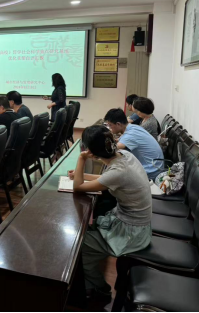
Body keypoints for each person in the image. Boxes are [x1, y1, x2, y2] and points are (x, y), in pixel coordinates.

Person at [70, 125, 152, 300]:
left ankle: (99, 288)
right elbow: (106, 179)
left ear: (90, 151)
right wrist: (81, 174)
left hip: (132, 231)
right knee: (88, 229)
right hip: (134, 222)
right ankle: (90, 278)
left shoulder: (118, 171)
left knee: (79, 248)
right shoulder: (125, 156)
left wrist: (81, 159)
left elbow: (78, 187)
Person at [104, 108, 164, 181]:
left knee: (114, 174)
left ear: (118, 124)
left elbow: (112, 150)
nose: (109, 128)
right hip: (156, 166)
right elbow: (122, 140)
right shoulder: (133, 127)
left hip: (151, 172)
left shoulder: (130, 135)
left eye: (110, 125)